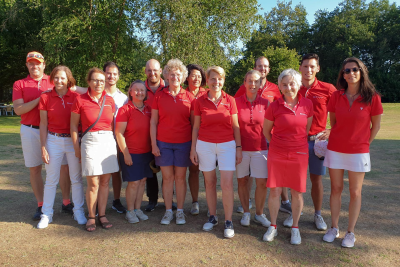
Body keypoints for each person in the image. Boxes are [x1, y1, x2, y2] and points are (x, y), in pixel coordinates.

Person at [322, 57, 383, 248]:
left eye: (354, 70)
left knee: (355, 192)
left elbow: (376, 125)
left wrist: (364, 143)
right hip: (335, 149)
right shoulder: (336, 96)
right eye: (346, 71)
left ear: (361, 71)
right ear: (343, 75)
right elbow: (334, 122)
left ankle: (350, 232)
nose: (351, 73)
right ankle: (333, 228)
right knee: (336, 189)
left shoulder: (372, 97)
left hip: (359, 152)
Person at [12, 51, 72, 221]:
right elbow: (18, 109)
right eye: (31, 63)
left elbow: (72, 90)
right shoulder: (20, 84)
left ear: (44, 65)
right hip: (30, 129)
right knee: (35, 168)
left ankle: (66, 202)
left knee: (63, 167)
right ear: (27, 65)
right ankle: (41, 204)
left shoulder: (53, 80)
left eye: (37, 63)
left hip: (54, 131)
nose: (34, 66)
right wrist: (41, 99)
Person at [234, 56, 291, 215]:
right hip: (244, 143)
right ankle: (248, 204)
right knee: (246, 177)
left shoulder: (274, 88)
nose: (262, 68)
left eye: (265, 66)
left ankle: (284, 201)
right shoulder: (242, 91)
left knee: (263, 178)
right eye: (259, 66)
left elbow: (281, 109)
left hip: (265, 140)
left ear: (268, 70)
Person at [262, 69, 313, 245]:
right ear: (280, 87)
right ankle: (273, 226)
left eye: (291, 83)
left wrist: (294, 144)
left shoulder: (307, 104)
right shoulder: (274, 106)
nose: (288, 87)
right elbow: (266, 131)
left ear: (298, 85)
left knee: (297, 192)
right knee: (275, 190)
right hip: (277, 153)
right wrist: (278, 145)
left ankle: (295, 228)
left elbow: (305, 130)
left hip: (299, 153)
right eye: (284, 84)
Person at [191, 66, 242, 239]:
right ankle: (212, 217)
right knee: (210, 182)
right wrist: (193, 148)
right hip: (204, 145)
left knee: (227, 184)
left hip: (227, 144)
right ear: (208, 79)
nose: (216, 82)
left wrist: (238, 147)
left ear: (223, 80)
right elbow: (196, 127)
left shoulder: (230, 100)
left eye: (219, 79)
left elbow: (236, 126)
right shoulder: (199, 101)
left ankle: (228, 221)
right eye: (213, 78)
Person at [36, 66, 86, 228]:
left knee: (76, 179)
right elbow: (43, 124)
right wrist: (43, 146)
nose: (59, 81)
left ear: (68, 80)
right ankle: (47, 214)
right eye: (56, 77)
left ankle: (78, 210)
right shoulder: (45, 97)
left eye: (62, 78)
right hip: (53, 140)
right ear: (52, 79)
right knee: (51, 180)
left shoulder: (77, 96)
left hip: (73, 141)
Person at [71, 68, 119, 231]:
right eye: (95, 80)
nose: (99, 83)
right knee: (93, 183)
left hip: (107, 140)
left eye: (102, 80)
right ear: (89, 82)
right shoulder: (80, 100)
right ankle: (91, 216)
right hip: (90, 141)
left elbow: (112, 125)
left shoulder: (110, 100)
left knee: (105, 182)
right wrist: (77, 147)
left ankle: (102, 215)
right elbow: (73, 126)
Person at [293, 53, 337, 230]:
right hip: (297, 141)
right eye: (305, 66)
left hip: (317, 142)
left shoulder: (328, 88)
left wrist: (331, 129)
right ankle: (295, 213)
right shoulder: (293, 87)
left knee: (316, 180)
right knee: (296, 180)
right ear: (300, 68)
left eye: (312, 66)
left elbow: (341, 111)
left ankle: (318, 215)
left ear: (318, 68)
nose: (308, 70)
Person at [150, 59, 194, 225]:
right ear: (166, 75)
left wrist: (193, 148)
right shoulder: (159, 96)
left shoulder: (189, 97)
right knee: (168, 178)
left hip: (184, 144)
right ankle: (168, 211)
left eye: (178, 74)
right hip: (163, 143)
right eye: (171, 73)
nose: (175, 76)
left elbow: (193, 124)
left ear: (183, 77)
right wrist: (154, 144)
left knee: (180, 178)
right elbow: (153, 122)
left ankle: (180, 212)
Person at [235, 70, 270, 228]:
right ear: (244, 82)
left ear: (260, 84)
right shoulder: (235, 102)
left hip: (261, 149)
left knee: (262, 182)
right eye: (250, 81)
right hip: (241, 149)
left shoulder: (266, 103)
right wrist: (237, 147)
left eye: (256, 81)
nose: (253, 84)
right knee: (242, 180)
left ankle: (259, 213)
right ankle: (246, 212)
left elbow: (270, 128)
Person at [115, 80, 152, 224]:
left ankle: (137, 209)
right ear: (130, 92)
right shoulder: (125, 110)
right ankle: (130, 211)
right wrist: (126, 153)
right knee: (134, 182)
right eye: (136, 90)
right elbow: (119, 133)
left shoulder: (148, 108)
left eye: (142, 90)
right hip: (131, 152)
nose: (139, 92)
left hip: (146, 152)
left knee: (142, 181)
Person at [184, 64, 207, 215]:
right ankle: (194, 202)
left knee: (206, 171)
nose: (196, 78)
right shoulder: (181, 94)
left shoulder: (207, 93)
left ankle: (209, 202)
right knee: (192, 170)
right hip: (185, 137)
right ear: (187, 78)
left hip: (205, 138)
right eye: (193, 75)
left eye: (199, 76)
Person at [143, 59, 165, 212]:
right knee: (150, 170)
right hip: (146, 134)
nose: (152, 73)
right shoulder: (139, 88)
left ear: (161, 70)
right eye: (149, 70)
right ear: (145, 72)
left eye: (155, 70)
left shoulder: (169, 86)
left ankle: (168, 199)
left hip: (166, 134)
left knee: (168, 170)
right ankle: (152, 199)